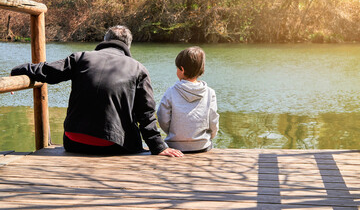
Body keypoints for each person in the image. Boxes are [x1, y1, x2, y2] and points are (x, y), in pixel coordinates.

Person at [10, 25, 183, 157]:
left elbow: (47, 71)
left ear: (104, 39)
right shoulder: (138, 69)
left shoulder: (80, 58)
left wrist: (19, 70)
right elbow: (145, 114)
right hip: (113, 145)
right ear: (128, 46)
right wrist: (159, 147)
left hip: (73, 140)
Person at [157, 46, 219, 153]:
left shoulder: (171, 91)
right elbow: (213, 122)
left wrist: (174, 133)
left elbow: (162, 118)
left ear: (182, 69)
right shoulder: (209, 93)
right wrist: (208, 136)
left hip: (175, 146)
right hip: (202, 146)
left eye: (177, 68)